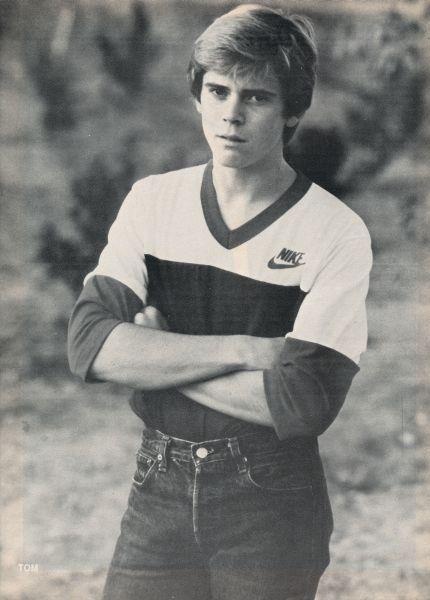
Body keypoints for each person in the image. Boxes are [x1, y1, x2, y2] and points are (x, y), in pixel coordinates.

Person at [67, 4, 372, 599]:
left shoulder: (334, 230)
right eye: (217, 90)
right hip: (157, 485)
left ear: (293, 111)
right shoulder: (153, 202)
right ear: (197, 95)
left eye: (256, 97)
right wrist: (247, 349)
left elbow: (304, 401)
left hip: (272, 497)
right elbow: (87, 346)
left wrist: (156, 358)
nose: (231, 114)